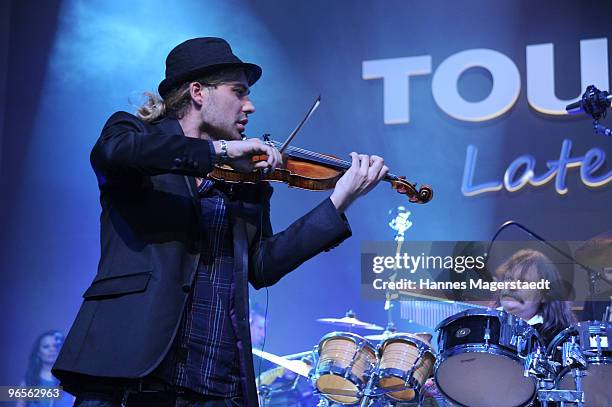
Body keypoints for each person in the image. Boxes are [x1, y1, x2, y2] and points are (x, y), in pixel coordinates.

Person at [52, 37, 389, 407]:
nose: (250, 105)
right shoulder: (134, 135)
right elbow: (113, 153)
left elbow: (262, 266)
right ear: (198, 92)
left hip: (213, 377)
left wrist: (340, 200)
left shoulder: (245, 181)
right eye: (239, 92)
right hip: (128, 366)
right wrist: (220, 150)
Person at [496, 249, 575, 345]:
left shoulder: (559, 338)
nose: (512, 286)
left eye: (523, 282)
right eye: (509, 279)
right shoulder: (482, 321)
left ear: (544, 295)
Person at [17, 330, 73, 407]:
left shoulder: (70, 379)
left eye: (55, 346)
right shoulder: (30, 378)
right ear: (38, 353)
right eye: (46, 346)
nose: (52, 349)